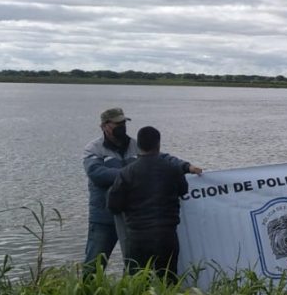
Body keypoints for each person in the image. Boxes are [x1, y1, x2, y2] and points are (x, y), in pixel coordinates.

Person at [82, 107, 200, 273]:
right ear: (104, 126)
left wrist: (186, 166)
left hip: (133, 219)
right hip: (104, 216)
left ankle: (130, 289)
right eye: (117, 124)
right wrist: (135, 174)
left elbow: (162, 159)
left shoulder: (136, 145)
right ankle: (87, 290)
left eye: (124, 123)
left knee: (134, 267)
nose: (122, 127)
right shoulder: (93, 149)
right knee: (94, 264)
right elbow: (97, 174)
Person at [106, 126, 190, 283]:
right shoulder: (173, 169)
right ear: (158, 144)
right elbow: (183, 190)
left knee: (138, 283)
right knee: (168, 280)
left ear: (138, 146)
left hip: (137, 236)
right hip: (166, 235)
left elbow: (113, 205)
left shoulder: (126, 173)